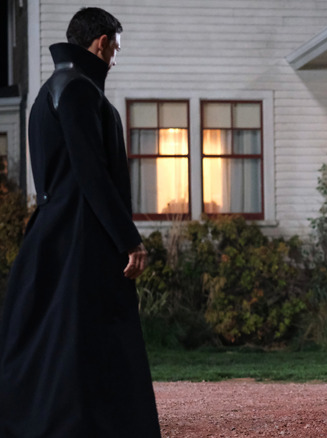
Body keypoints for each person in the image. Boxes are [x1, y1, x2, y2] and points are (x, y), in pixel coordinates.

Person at [0, 8, 161, 437]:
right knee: (85, 335)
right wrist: (129, 240)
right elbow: (92, 173)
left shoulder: (50, 91)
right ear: (102, 42)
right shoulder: (78, 91)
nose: (116, 59)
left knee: (57, 336)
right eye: (116, 49)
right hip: (80, 237)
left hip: (52, 232)